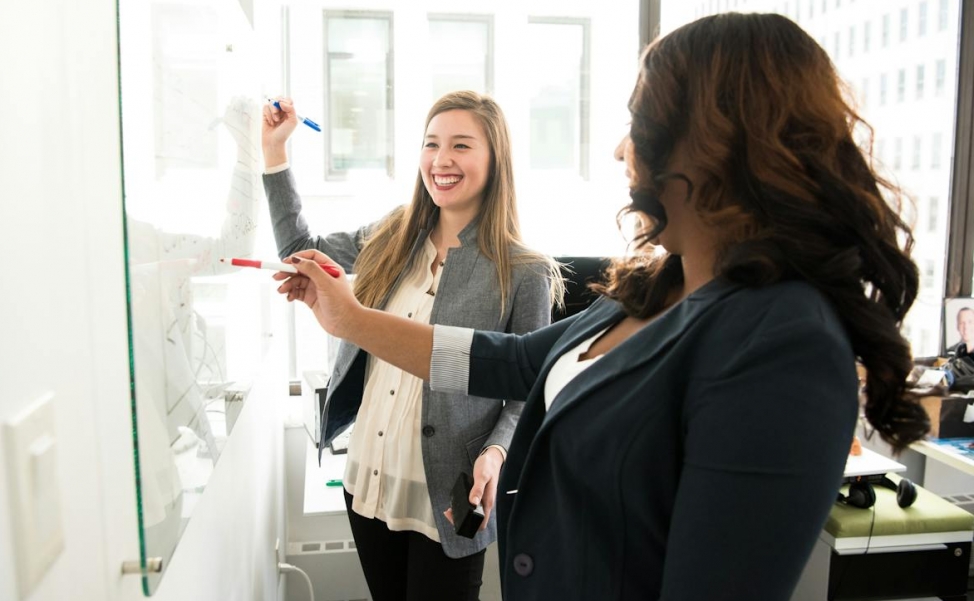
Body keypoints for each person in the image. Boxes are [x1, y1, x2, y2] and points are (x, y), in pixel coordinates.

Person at [274, 13, 930, 600]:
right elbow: (514, 361)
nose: (621, 149)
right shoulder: (655, 286)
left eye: (638, 123)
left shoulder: (784, 340)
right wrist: (351, 320)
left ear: (713, 141)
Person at [261, 90, 563, 600]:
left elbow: (528, 389)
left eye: (462, 146)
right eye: (431, 144)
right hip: (369, 480)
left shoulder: (524, 271)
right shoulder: (392, 234)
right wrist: (275, 153)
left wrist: (496, 451)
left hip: (452, 494)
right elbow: (298, 252)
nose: (441, 160)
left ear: (495, 160)